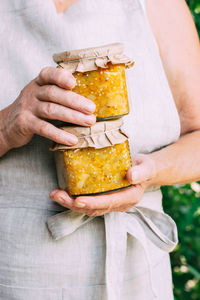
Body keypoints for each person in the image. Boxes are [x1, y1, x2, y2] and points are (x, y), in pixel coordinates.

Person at [0, 0, 200, 299]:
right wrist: (6, 127)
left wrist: (149, 171)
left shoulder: (162, 4)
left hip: (136, 272)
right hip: (14, 267)